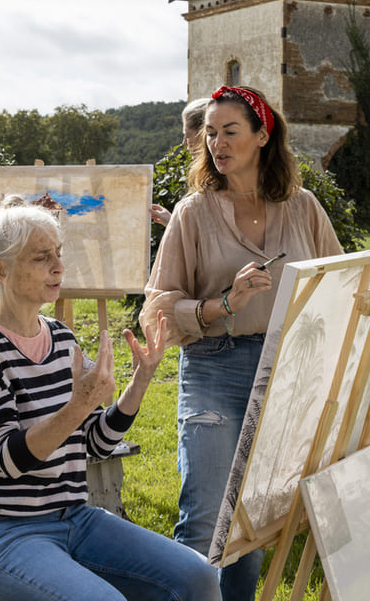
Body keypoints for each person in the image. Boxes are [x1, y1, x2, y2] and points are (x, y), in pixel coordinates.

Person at [0, 198, 221, 601]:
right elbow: (10, 460)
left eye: (58, 254)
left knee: (199, 577)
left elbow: (95, 442)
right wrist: (78, 405)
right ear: (0, 270)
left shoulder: (61, 338)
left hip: (74, 517)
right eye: (42, 257)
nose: (59, 267)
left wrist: (140, 382)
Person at [141, 86, 343, 601]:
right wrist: (223, 304)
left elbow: (340, 284)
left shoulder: (303, 207)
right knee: (205, 517)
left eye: (230, 131)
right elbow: (158, 307)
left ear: (262, 136)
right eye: (211, 133)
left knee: (251, 520)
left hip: (286, 370)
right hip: (214, 366)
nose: (217, 143)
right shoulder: (192, 212)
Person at [150, 98, 209, 227]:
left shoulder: (214, 186)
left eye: (187, 135)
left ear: (203, 135)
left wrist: (174, 223)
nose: (184, 143)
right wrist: (172, 221)